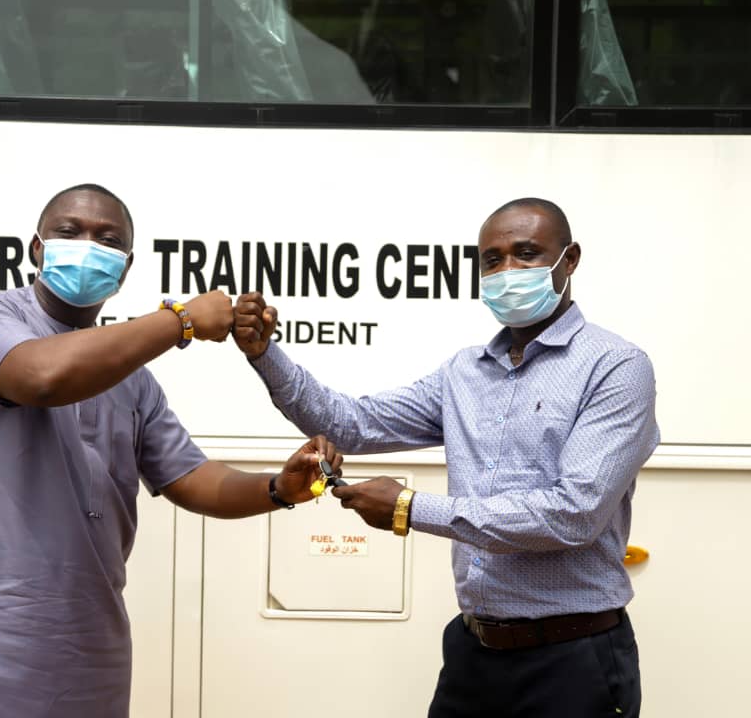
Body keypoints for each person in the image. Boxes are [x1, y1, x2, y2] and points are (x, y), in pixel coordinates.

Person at [0, 183, 342, 718]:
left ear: (125, 269)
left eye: (107, 239)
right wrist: (180, 320)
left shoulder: (132, 380)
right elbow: (42, 376)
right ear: (36, 250)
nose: (87, 245)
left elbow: (191, 477)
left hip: (90, 644)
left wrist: (279, 488)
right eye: (69, 232)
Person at [233, 197, 659, 718]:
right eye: (492, 260)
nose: (508, 272)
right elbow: (350, 423)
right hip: (472, 654)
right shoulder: (465, 372)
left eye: (527, 254)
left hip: (572, 660)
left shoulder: (616, 367)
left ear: (568, 260)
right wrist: (263, 353)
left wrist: (409, 508)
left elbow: (574, 514)